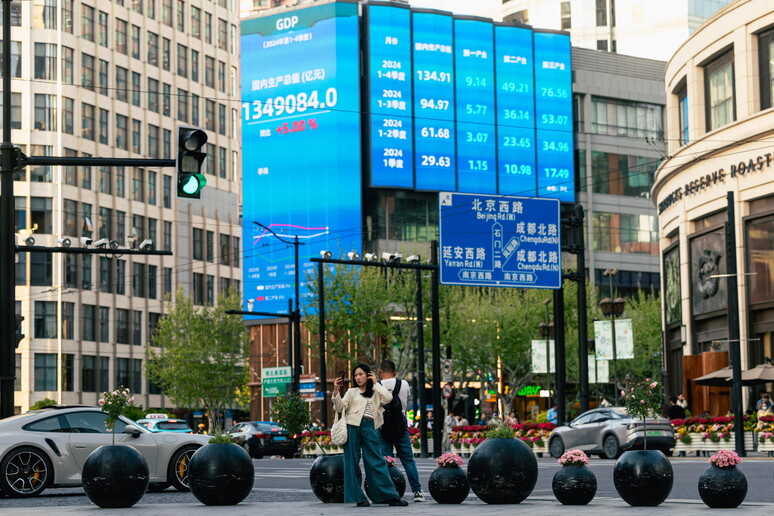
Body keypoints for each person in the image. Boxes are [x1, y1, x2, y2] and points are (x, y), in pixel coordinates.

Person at [333, 363, 408, 507]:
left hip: (370, 427)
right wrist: (336, 391)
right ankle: (358, 497)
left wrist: (375, 383)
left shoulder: (376, 391)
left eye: (361, 374)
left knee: (377, 461)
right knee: (351, 462)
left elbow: (388, 398)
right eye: (356, 375)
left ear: (368, 375)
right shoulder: (351, 391)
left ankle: (388, 496)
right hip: (352, 426)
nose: (358, 377)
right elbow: (340, 407)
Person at [377, 360, 425, 502]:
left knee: (386, 460)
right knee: (408, 460)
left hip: (382, 425)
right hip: (400, 424)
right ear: (395, 372)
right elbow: (405, 401)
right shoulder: (403, 384)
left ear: (380, 371)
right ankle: (417, 492)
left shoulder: (376, 386)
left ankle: (388, 492)